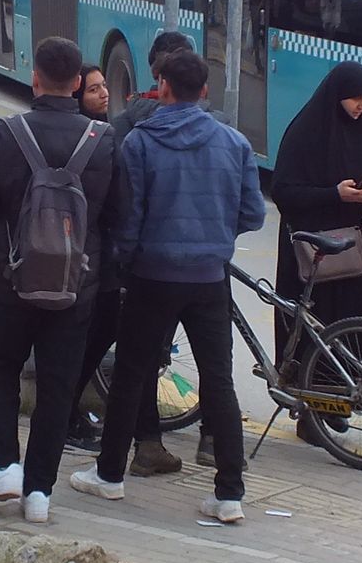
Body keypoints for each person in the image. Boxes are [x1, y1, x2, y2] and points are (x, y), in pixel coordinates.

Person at [71, 49, 265, 523]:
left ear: (161, 88)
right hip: (209, 278)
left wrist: (129, 260)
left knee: (133, 375)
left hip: (152, 276)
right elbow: (254, 214)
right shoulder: (234, 143)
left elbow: (129, 220)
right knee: (218, 380)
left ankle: (110, 476)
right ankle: (229, 494)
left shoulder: (138, 143)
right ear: (204, 91)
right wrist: (215, 238)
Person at [0, 37, 121, 523]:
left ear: (35, 78)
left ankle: (6, 465)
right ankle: (39, 494)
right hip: (77, 286)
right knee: (59, 383)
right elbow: (120, 213)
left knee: (0, 366)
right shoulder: (102, 142)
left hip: (11, 279)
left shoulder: (9, 133)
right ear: (77, 84)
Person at [75, 31, 200, 474]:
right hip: (200, 267)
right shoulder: (216, 126)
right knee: (212, 361)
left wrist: (124, 256)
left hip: (141, 264)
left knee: (136, 358)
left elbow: (120, 198)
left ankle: (134, 450)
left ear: (156, 74)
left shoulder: (128, 123)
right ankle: (216, 453)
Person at [268, 63, 362, 435]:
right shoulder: (306, 132)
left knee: (352, 328)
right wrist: (332, 194)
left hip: (357, 250)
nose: (361, 105)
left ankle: (340, 403)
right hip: (316, 254)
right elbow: (284, 192)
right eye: (355, 97)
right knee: (315, 329)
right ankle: (310, 410)